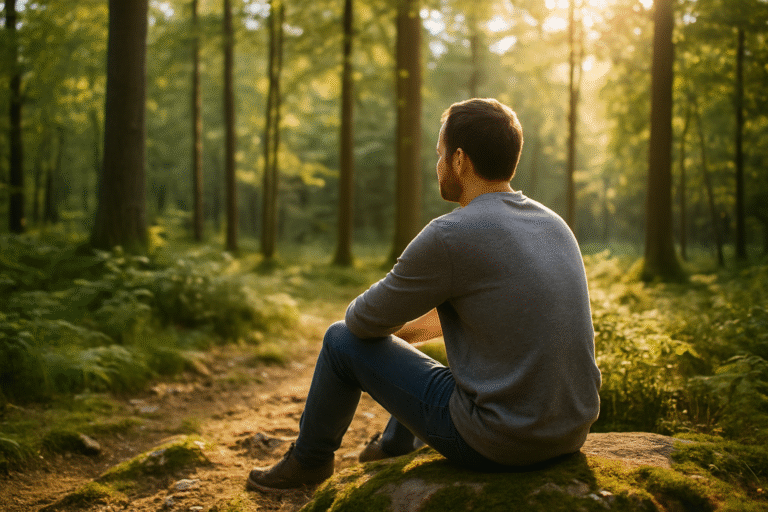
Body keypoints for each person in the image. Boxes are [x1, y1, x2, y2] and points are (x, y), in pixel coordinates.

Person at [246, 98, 601, 492]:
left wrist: (385, 337)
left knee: (338, 339)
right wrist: (405, 339)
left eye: (439, 154)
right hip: (570, 432)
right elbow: (500, 312)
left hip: (497, 442)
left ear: (460, 160)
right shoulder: (554, 225)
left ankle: (309, 462)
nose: (437, 166)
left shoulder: (451, 233)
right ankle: (394, 446)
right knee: (436, 365)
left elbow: (361, 322)